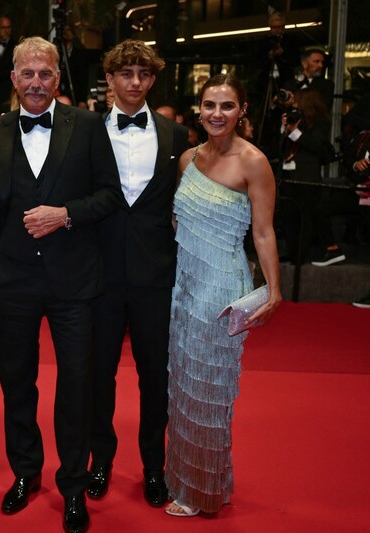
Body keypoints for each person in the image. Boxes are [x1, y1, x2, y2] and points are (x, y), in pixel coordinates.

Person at [0, 36, 118, 533]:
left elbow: (109, 195)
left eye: (45, 74)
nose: (36, 82)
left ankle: (74, 487)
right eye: (27, 74)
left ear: (58, 79)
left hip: (74, 282)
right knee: (17, 384)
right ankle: (25, 474)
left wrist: (65, 215)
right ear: (12, 79)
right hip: (12, 280)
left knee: (76, 386)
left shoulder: (86, 126)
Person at [165, 74, 281, 517]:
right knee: (183, 387)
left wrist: (273, 291)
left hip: (221, 287)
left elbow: (265, 231)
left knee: (209, 391)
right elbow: (178, 223)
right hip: (185, 283)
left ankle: (203, 492)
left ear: (242, 111)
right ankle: (190, 479)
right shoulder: (188, 159)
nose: (217, 113)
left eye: (227, 106)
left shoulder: (253, 162)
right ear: (199, 109)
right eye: (209, 105)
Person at [87, 39, 188, 508]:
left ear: (152, 80)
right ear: (109, 79)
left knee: (156, 378)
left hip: (155, 275)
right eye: (124, 73)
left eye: (143, 75)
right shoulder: (84, 132)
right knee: (96, 376)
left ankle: (154, 467)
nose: (134, 83)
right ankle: (100, 461)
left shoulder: (175, 135)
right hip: (99, 275)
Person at [278, 88, 334, 264]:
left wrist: (295, 132)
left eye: (297, 103)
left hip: (307, 177)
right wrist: (284, 129)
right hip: (288, 175)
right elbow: (279, 148)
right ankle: (292, 252)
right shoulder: (296, 121)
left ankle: (301, 255)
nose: (294, 107)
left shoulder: (320, 124)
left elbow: (316, 146)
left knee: (304, 217)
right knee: (288, 216)